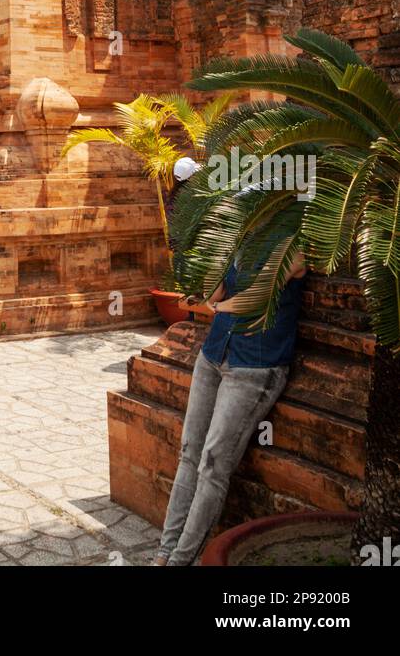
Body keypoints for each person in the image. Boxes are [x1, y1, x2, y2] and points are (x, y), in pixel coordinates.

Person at [153, 243, 307, 567]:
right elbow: (218, 292)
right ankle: (162, 554)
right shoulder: (238, 231)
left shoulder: (295, 243)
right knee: (189, 452)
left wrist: (217, 307)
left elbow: (257, 298)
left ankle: (180, 561)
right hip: (213, 355)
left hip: (254, 366)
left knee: (212, 465)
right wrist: (211, 249)